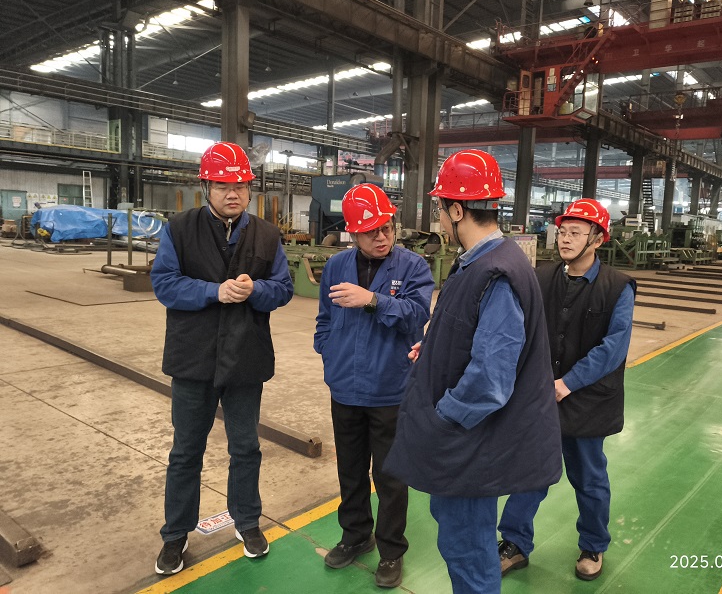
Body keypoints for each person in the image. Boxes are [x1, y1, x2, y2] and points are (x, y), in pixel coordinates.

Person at [385, 149, 562, 594]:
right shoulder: (478, 262)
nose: (440, 220)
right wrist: (435, 347)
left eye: (441, 209)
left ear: (458, 210)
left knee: (467, 548)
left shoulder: (497, 272)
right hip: (469, 440)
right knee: (460, 538)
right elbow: (471, 334)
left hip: (470, 442)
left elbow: (490, 380)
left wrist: (442, 419)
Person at [150, 141, 294, 575]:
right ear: (206, 187)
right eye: (223, 185)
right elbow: (165, 284)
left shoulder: (267, 235)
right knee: (185, 452)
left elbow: (283, 288)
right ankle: (176, 535)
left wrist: (256, 290)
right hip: (193, 359)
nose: (233, 193)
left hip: (246, 358)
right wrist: (214, 291)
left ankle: (246, 521)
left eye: (241, 185)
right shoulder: (179, 229)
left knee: (246, 447)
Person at [497, 198, 636, 582]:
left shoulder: (617, 287)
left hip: (588, 400)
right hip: (541, 396)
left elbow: (613, 348)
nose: (565, 238)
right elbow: (521, 329)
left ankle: (593, 544)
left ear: (598, 239)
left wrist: (568, 383)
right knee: (530, 471)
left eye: (576, 232)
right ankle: (514, 543)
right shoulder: (541, 278)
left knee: (589, 477)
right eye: (562, 231)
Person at [314, 183, 434, 589]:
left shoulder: (413, 267)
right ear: (353, 233)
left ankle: (391, 550)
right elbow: (325, 318)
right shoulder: (336, 266)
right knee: (350, 470)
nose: (381, 237)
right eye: (371, 232)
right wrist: (328, 351)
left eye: (386, 228)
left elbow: (417, 315)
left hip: (389, 389)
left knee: (390, 476)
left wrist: (373, 300)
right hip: (344, 387)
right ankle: (355, 536)